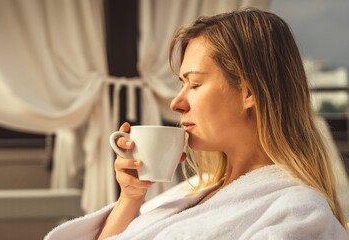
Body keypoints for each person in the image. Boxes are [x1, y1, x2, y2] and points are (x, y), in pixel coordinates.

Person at [45, 8, 349, 240]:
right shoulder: (192, 190)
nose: (176, 103)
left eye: (194, 84)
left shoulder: (299, 211)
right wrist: (131, 197)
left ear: (249, 91)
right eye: (181, 84)